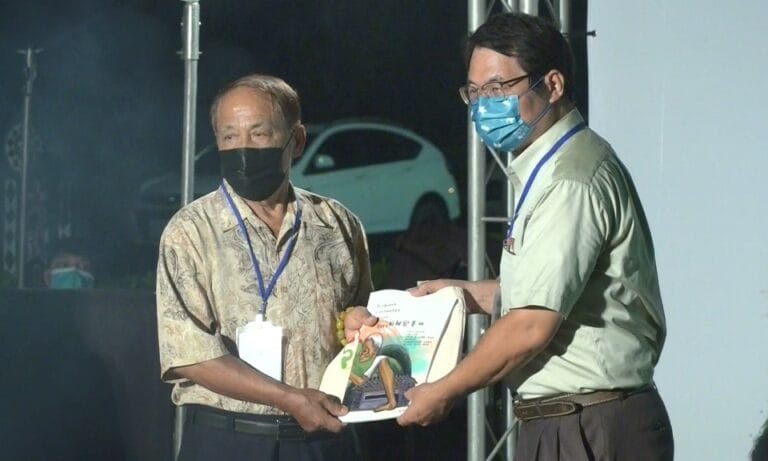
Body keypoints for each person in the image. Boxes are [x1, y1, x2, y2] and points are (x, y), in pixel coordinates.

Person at [397, 12, 674, 460]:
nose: (483, 106)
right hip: (575, 421)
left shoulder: (570, 179)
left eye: (498, 88)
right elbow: (552, 293)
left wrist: (443, 390)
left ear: (554, 85)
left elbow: (531, 324)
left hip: (589, 427)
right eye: (474, 92)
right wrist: (462, 295)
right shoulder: (553, 168)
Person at [155, 74, 377, 461]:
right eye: (229, 136)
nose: (242, 148)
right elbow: (189, 354)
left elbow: (359, 320)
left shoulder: (338, 225)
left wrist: (359, 324)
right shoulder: (190, 232)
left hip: (323, 439)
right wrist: (288, 398)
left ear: (297, 140)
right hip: (228, 440)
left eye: (259, 134)